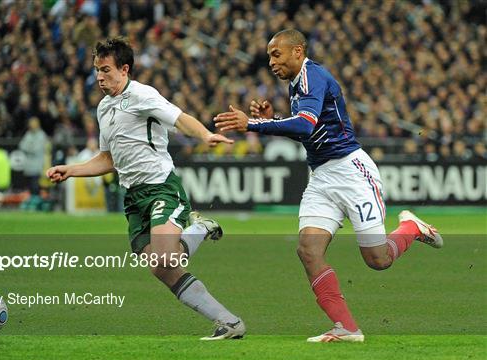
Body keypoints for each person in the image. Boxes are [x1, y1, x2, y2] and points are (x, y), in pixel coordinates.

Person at [214, 29, 443, 342]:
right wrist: (276, 117)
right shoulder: (297, 84)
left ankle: (412, 228)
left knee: (378, 260)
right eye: (269, 55)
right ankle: (346, 328)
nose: (271, 62)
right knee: (308, 250)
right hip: (321, 177)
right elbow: (311, 128)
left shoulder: (313, 77)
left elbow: (305, 124)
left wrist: (254, 124)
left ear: (298, 51)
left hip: (352, 172)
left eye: (276, 54)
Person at [47, 37, 245, 340]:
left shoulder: (142, 95)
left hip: (160, 187)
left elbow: (179, 119)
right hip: (133, 199)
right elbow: (107, 158)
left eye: (106, 70)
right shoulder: (104, 108)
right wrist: (71, 171)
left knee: (166, 258)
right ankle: (229, 323)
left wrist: (205, 135)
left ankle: (199, 228)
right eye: (97, 70)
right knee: (161, 269)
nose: (100, 77)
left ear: (124, 69)